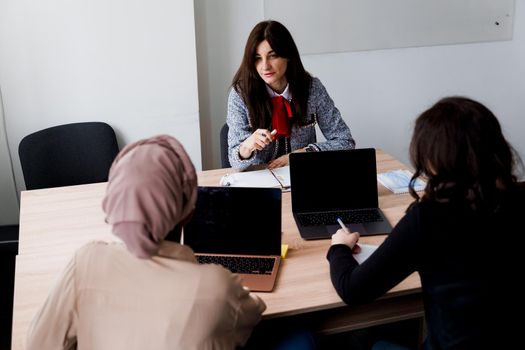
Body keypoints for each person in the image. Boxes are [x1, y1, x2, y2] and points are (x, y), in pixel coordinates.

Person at [26, 135, 266, 350]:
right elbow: (252, 313)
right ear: (189, 211)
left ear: (113, 204)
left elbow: (37, 344)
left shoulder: (85, 263)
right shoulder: (218, 287)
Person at [326, 97, 523, 349]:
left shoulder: (429, 217)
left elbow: (353, 289)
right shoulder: (515, 199)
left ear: (431, 158)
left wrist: (339, 248)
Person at [227, 20, 355, 170]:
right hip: (260, 181)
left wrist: (304, 153)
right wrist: (246, 147)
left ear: (288, 55)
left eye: (272, 56)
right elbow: (234, 161)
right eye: (257, 58)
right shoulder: (240, 95)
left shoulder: (312, 88)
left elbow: (345, 141)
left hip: (302, 174)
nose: (265, 66)